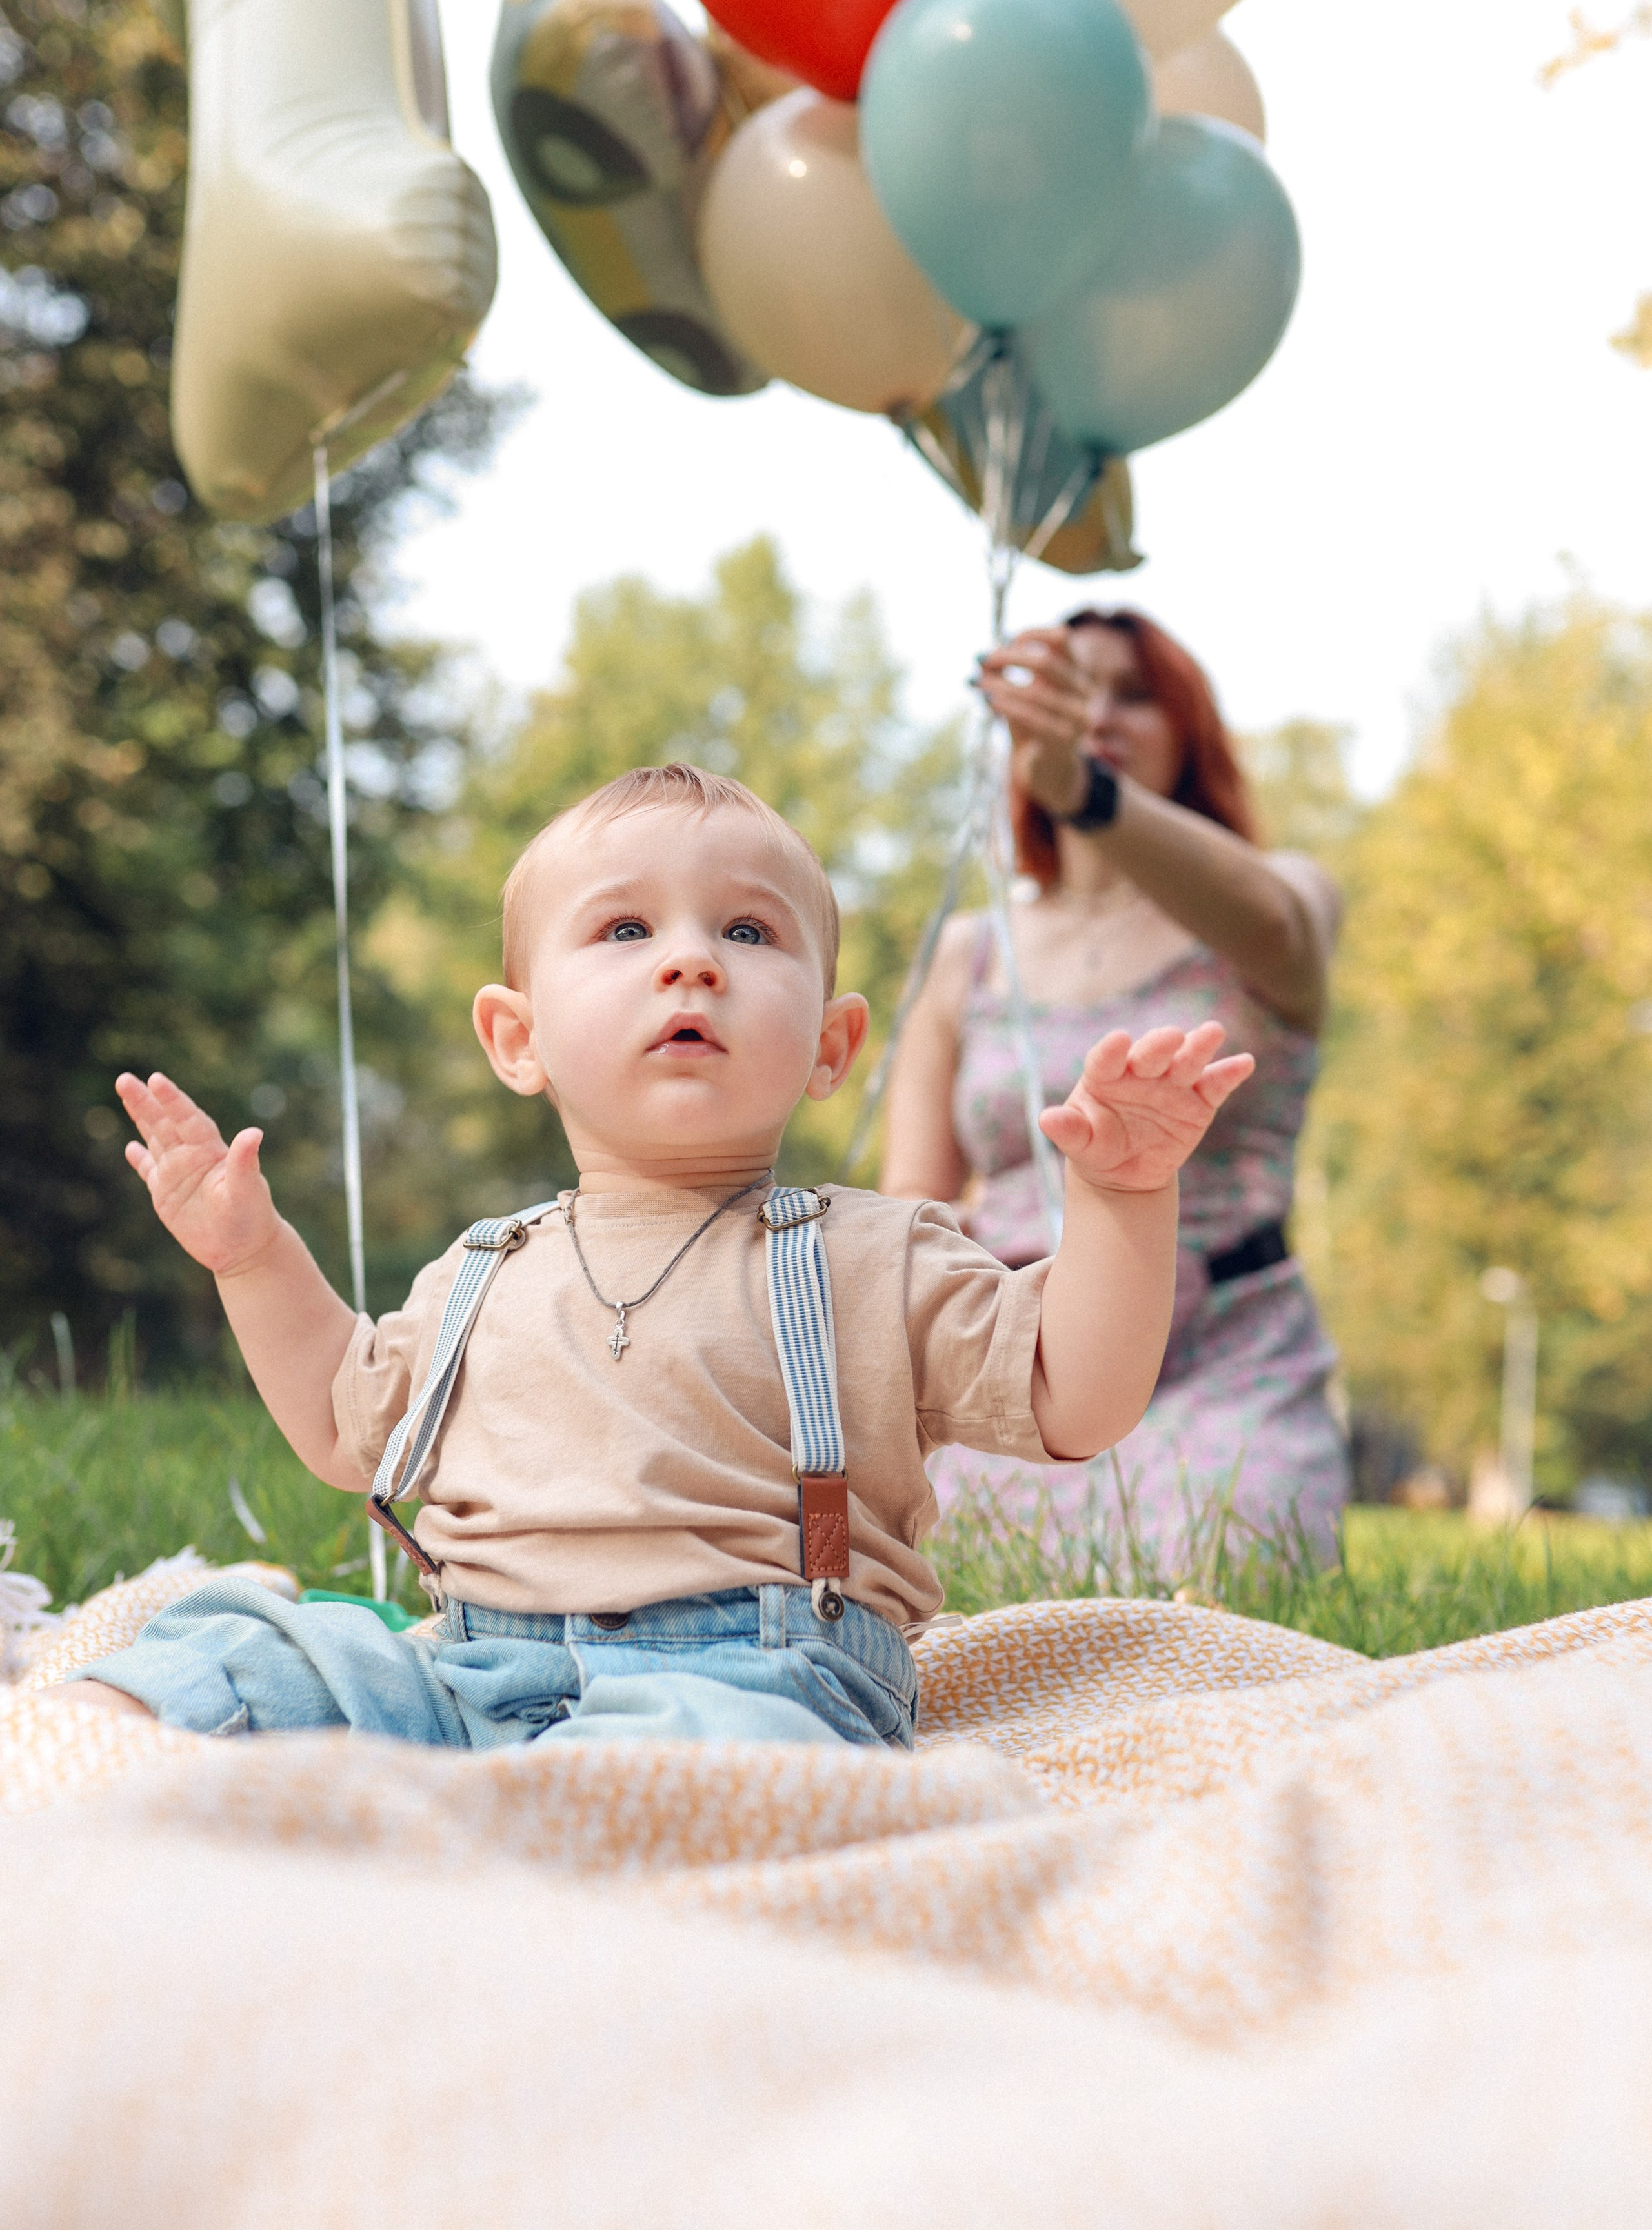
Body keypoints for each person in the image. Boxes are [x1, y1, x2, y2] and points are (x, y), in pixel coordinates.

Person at [55, 763, 1253, 1751]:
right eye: (627, 928)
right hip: (471, 1667)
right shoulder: (486, 1267)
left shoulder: (877, 1255)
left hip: (757, 1682)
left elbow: (1076, 1395)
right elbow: (339, 1422)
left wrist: (1120, 1197)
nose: (692, 960)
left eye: (747, 929)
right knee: (240, 1647)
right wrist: (252, 1255)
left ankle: (536, 1845)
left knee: (702, 1758)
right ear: (517, 1038)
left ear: (832, 1043)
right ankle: (87, 1763)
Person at [881, 612, 1348, 1569]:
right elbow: (911, 1210)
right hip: (1011, 1370)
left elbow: (1275, 920)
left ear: (1189, 731)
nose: (1098, 713)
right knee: (950, 1593)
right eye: (1073, 687)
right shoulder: (970, 955)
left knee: (1221, 1584)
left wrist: (1083, 790)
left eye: (1132, 693)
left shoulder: (1277, 897)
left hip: (1228, 1361)